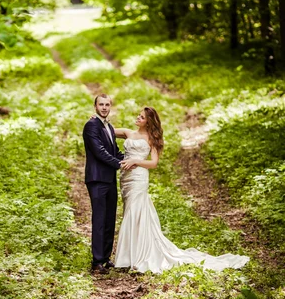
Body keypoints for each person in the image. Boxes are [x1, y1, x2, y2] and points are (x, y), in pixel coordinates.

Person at [114, 106, 249, 273]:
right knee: (130, 211)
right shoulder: (128, 133)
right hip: (126, 179)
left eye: (142, 117)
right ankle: (130, 254)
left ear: (148, 122)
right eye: (139, 115)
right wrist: (97, 120)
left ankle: (134, 257)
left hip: (139, 177)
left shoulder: (150, 138)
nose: (138, 118)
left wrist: (135, 160)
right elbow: (108, 130)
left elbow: (153, 163)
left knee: (135, 211)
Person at [83, 94, 124, 274]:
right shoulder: (91, 125)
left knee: (109, 218)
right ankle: (96, 262)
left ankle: (106, 258)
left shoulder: (109, 126)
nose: (105, 107)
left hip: (109, 179)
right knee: (99, 219)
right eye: (101, 104)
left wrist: (132, 161)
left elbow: (114, 151)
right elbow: (99, 152)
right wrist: (119, 164)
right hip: (97, 179)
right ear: (95, 106)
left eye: (107, 105)